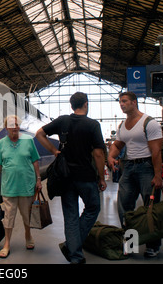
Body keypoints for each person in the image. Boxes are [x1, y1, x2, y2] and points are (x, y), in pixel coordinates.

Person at [36, 92, 106, 264]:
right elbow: (98, 153)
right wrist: (102, 177)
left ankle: (75, 255)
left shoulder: (63, 121)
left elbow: (39, 134)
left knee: (71, 216)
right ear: (86, 104)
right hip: (86, 176)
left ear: (72, 105)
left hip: (65, 177)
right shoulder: (93, 125)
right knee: (92, 208)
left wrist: (54, 151)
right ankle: (72, 247)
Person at [107, 91, 163, 258]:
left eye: (124, 101)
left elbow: (156, 151)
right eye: (120, 102)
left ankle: (153, 245)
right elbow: (118, 144)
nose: (122, 104)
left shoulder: (149, 123)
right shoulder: (123, 125)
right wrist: (111, 155)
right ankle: (130, 245)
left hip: (147, 166)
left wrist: (158, 175)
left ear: (134, 102)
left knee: (150, 208)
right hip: (129, 167)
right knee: (124, 207)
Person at [0, 115, 42, 258]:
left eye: (17, 125)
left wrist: (38, 179)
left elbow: (35, 161)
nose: (15, 128)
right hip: (9, 187)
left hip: (27, 185)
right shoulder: (1, 143)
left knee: (27, 215)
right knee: (8, 217)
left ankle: (28, 235)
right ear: (7, 128)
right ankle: (7, 243)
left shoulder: (28, 141)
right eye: (12, 125)